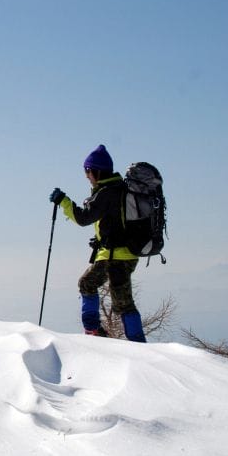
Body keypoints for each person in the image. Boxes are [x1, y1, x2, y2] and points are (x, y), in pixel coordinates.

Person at [49, 144, 146, 342]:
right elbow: (114, 221)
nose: (86, 176)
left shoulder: (107, 192)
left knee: (118, 301)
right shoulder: (117, 190)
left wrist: (64, 202)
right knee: (94, 287)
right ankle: (97, 331)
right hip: (121, 254)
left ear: (96, 171)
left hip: (115, 256)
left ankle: (132, 342)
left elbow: (83, 218)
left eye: (87, 171)